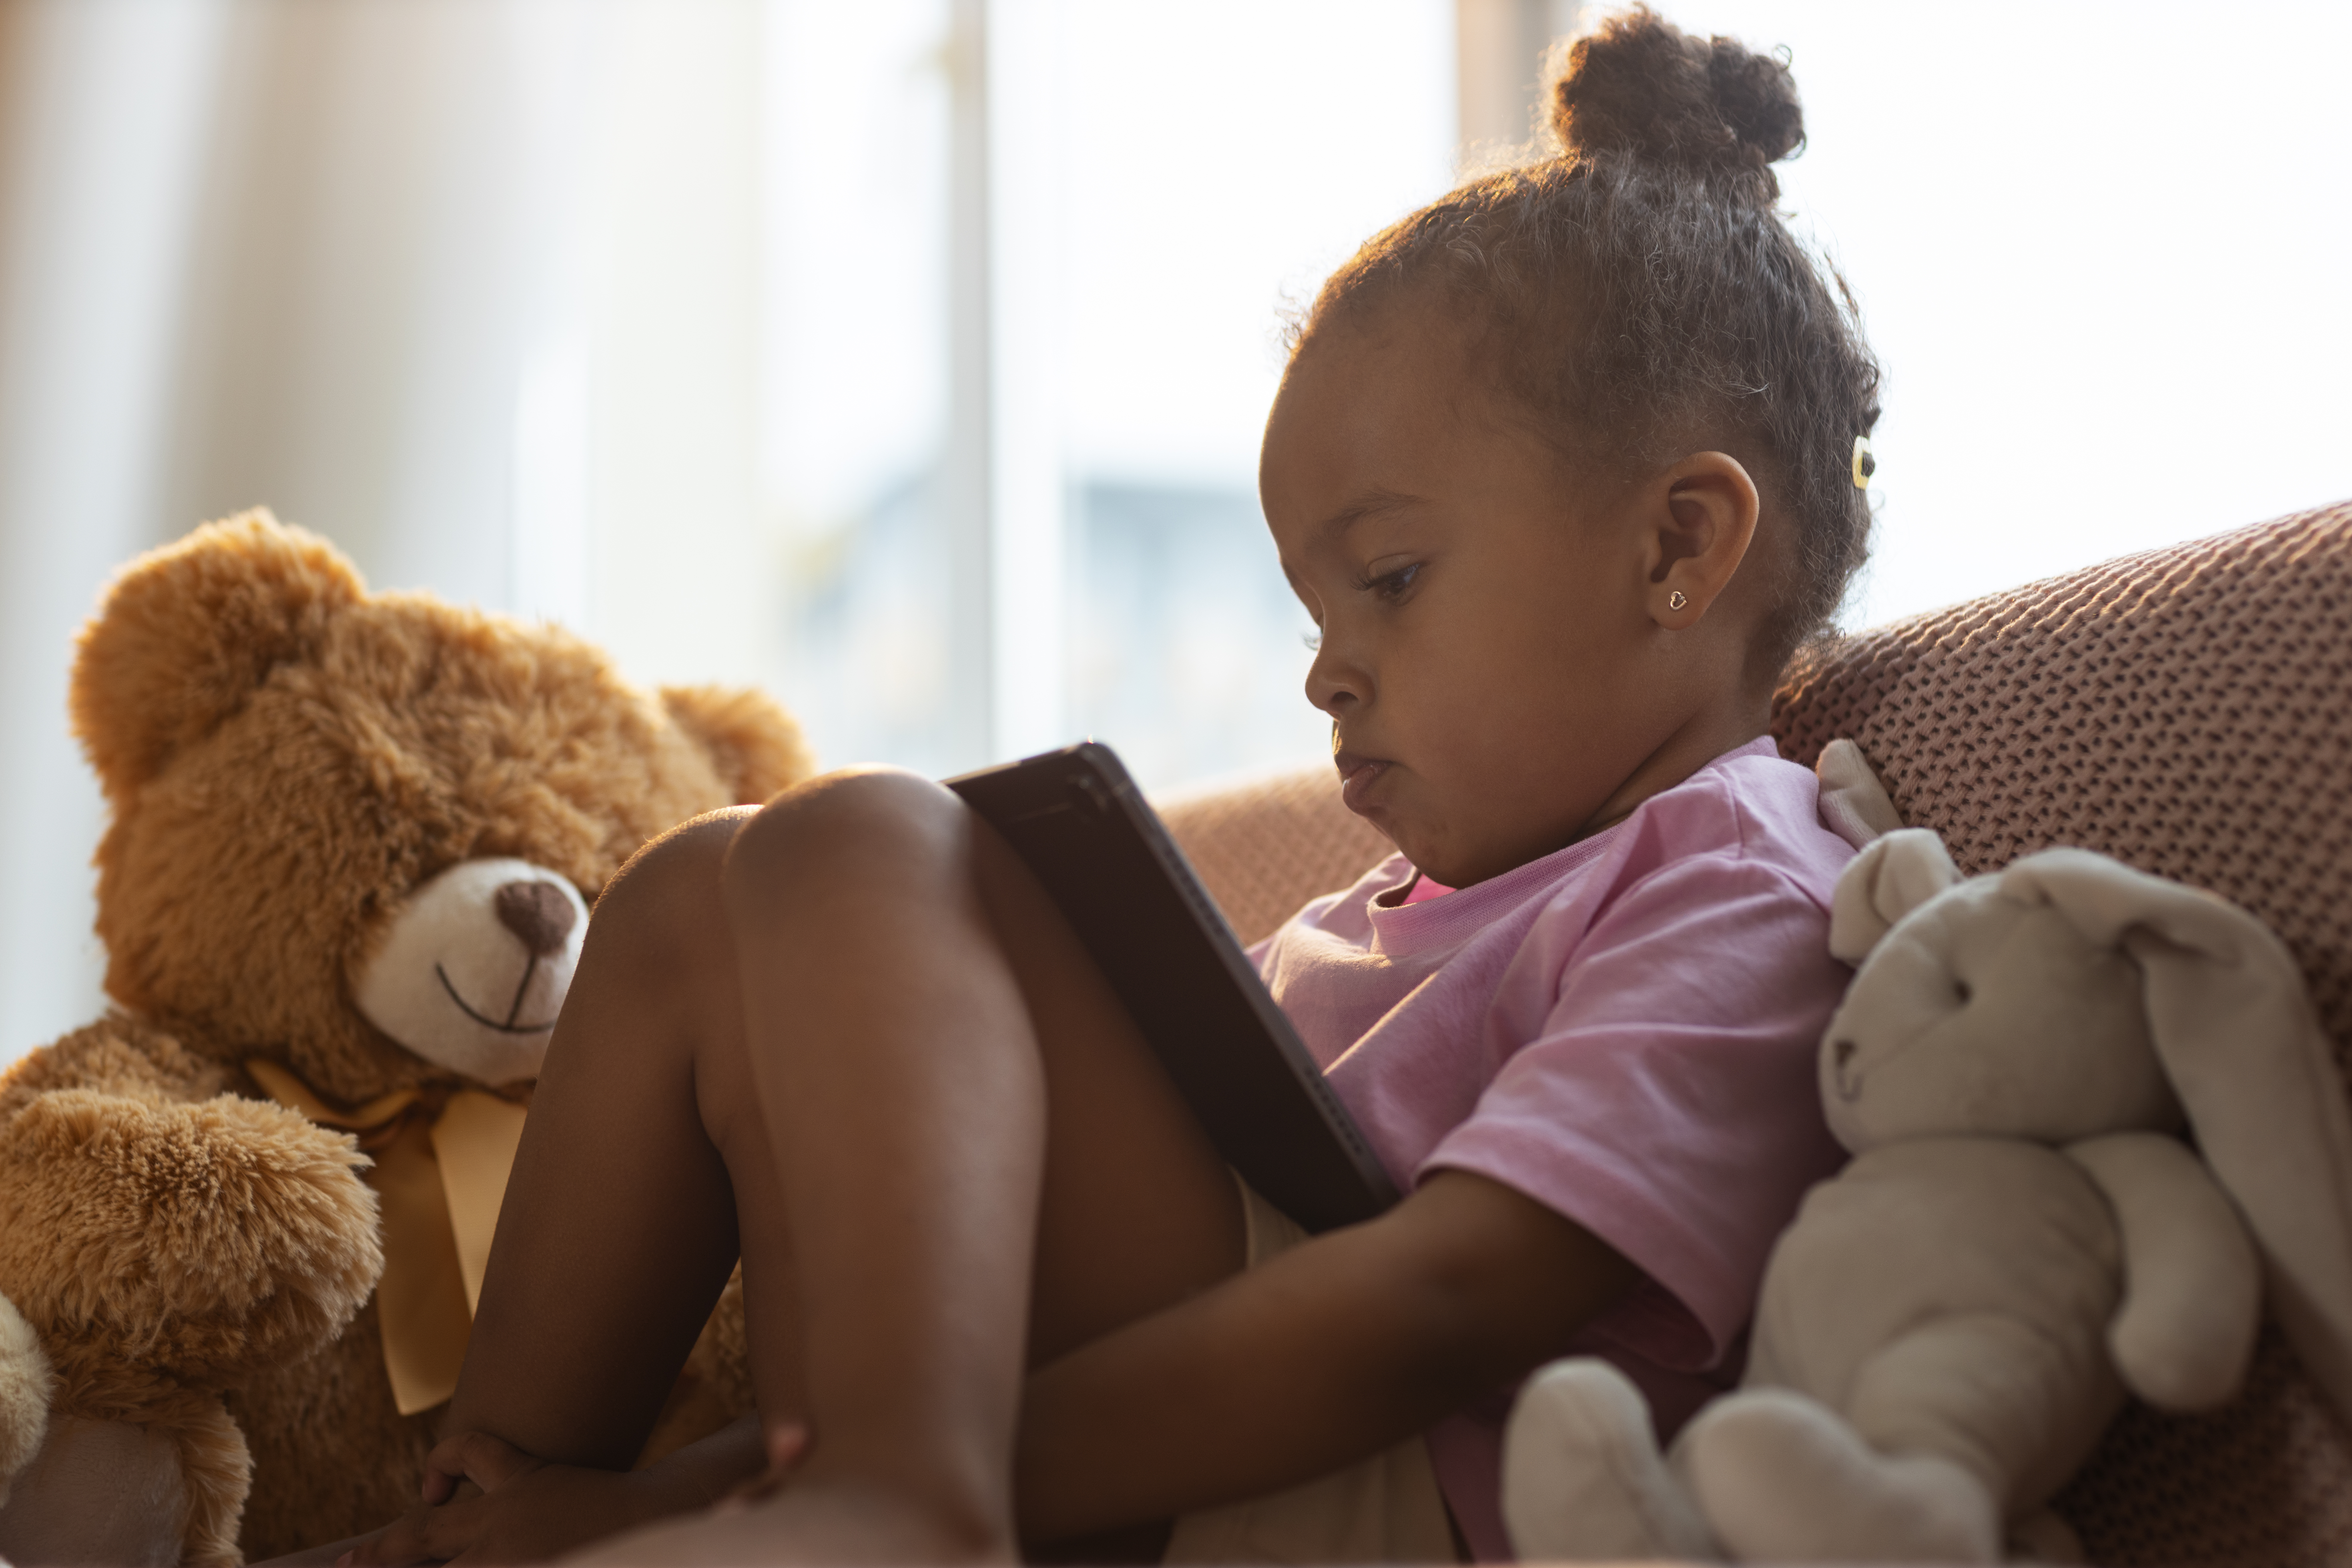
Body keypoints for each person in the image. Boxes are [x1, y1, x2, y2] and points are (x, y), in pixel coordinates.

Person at [341, 7, 1882, 1563]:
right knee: (696, 888)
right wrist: (644, 1511)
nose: (1327, 675)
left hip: (1370, 1481)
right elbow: (962, 1324)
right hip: (1119, 1454)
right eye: (1314, 614)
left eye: (1392, 578)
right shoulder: (1388, 913)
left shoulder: (1736, 880)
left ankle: (899, 1503)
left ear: (1679, 544)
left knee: (869, 838)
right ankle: (480, 1516)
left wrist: (893, 1472)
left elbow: (1445, 1308)